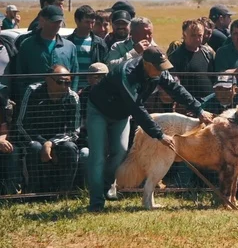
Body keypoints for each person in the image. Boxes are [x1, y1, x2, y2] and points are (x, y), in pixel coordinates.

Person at [86, 46, 214, 212]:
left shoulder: (159, 71)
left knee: (121, 151)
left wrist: (199, 110)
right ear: (146, 63)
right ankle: (96, 203)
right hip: (99, 110)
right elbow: (137, 109)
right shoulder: (127, 74)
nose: (162, 71)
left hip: (121, 114)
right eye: (158, 67)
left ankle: (106, 186)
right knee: (98, 157)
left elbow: (176, 89)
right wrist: (159, 135)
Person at [16, 65, 80, 192]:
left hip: (60, 140)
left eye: (68, 82)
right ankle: (33, 192)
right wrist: (43, 142)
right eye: (60, 82)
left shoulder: (73, 97)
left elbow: (74, 131)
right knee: (34, 147)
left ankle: (63, 193)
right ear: (47, 79)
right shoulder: (32, 91)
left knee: (70, 148)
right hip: (35, 138)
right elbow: (21, 123)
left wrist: (51, 143)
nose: (64, 86)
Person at [16, 5, 79, 93]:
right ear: (42, 20)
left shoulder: (69, 47)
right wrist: (24, 96)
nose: (57, 25)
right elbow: (20, 75)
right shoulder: (27, 45)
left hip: (62, 101)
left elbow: (75, 75)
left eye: (59, 22)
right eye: (53, 21)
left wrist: (72, 96)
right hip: (34, 99)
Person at [168, 19, 215, 102]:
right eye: (193, 35)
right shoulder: (176, 57)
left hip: (210, 102)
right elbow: (174, 84)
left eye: (199, 35)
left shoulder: (208, 53)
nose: (197, 39)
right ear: (184, 35)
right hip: (188, 105)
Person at [66, 5, 108, 89]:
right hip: (70, 89)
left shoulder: (100, 44)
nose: (90, 26)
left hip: (92, 90)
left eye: (92, 22)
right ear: (77, 20)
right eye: (87, 22)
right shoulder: (66, 43)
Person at [0, 84, 20, 195]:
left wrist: (2, 140)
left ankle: (10, 193)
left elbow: (4, 129)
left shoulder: (1, 102)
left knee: (13, 150)